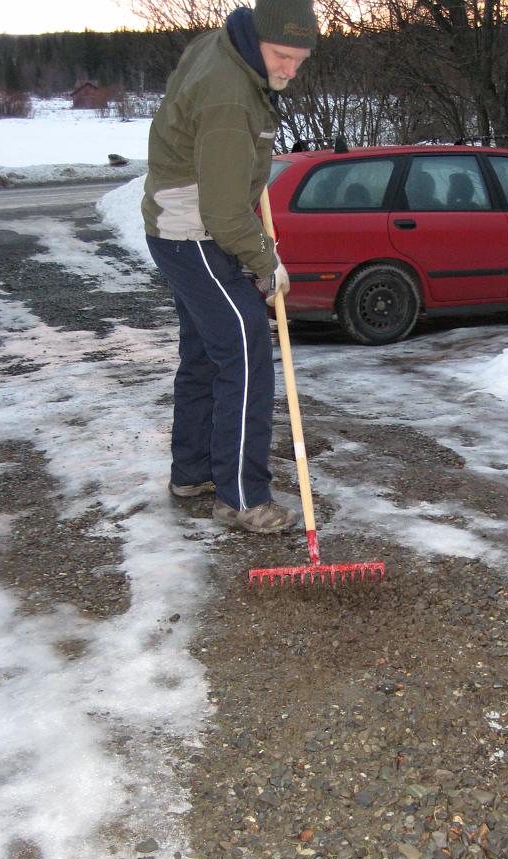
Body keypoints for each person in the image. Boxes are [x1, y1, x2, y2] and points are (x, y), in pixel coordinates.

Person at [142, 0, 318, 533]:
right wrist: (266, 260)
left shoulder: (224, 48)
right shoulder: (229, 95)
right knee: (245, 355)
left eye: (300, 59)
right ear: (257, 41)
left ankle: (193, 472)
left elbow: (226, 176)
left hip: (178, 226)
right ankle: (241, 497)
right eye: (283, 56)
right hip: (196, 232)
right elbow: (221, 212)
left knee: (204, 355)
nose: (290, 69)